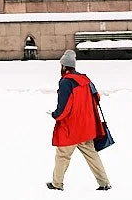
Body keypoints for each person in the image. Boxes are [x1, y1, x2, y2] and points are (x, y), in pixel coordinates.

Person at [47, 48, 113, 190]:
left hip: (70, 128)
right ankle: (104, 183)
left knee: (63, 155)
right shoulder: (86, 80)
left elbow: (64, 108)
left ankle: (57, 184)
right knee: (92, 155)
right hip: (87, 127)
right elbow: (97, 98)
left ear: (64, 66)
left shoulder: (66, 82)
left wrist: (55, 115)